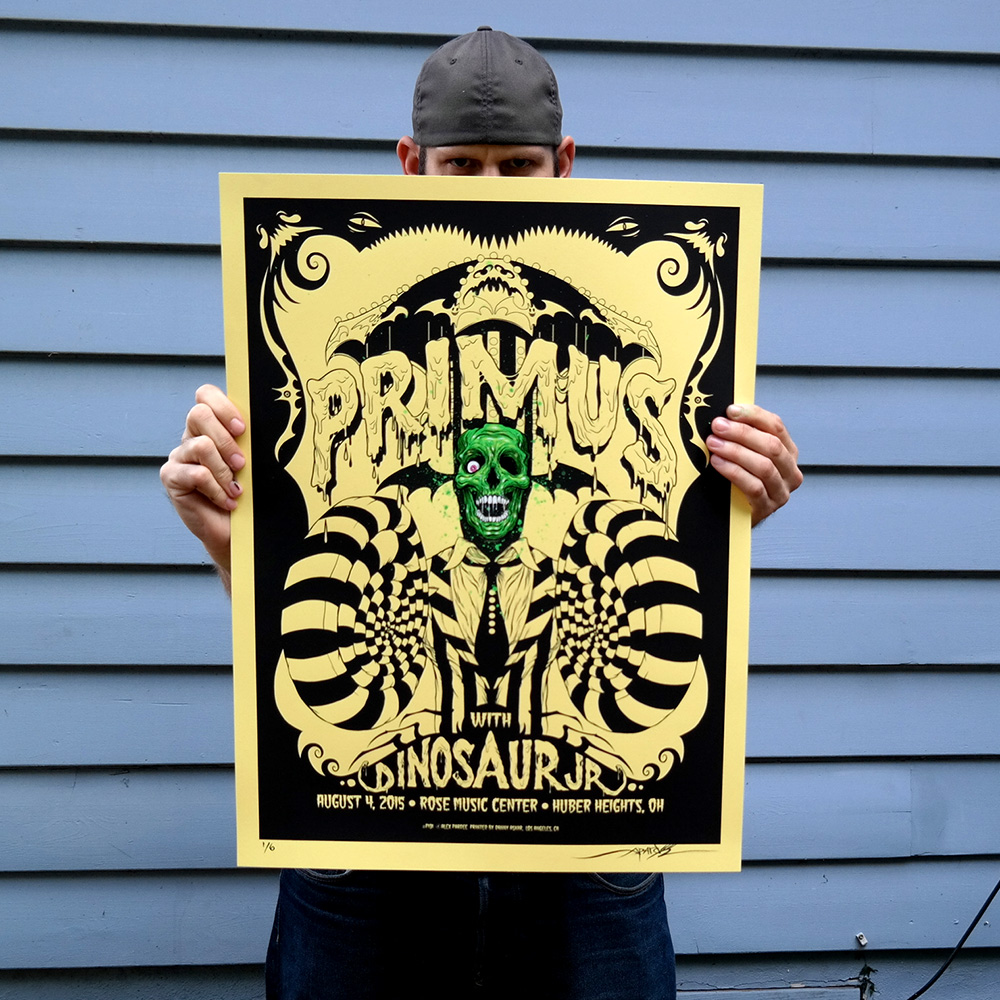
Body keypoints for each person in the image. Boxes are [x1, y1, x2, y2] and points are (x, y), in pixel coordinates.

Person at [161, 28, 803, 999]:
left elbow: (663, 587)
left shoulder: (641, 334)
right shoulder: (333, 338)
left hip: (589, 841)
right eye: (462, 165)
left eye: (517, 166)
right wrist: (229, 542)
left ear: (565, 164)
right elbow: (309, 600)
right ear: (410, 163)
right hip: (368, 834)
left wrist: (731, 512)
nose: (490, 186)